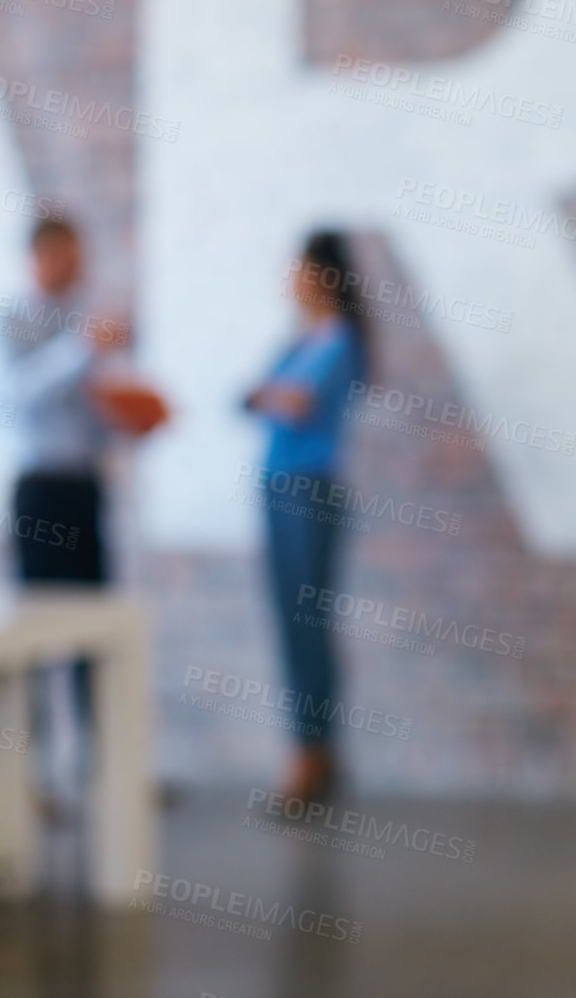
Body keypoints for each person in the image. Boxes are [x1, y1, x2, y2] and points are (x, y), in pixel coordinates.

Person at [2, 215, 164, 804]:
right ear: (41, 256)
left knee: (95, 627)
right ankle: (30, 777)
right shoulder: (12, 318)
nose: (77, 269)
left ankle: (104, 774)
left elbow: (96, 411)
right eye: (67, 257)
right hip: (38, 490)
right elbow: (17, 393)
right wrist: (81, 348)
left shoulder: (85, 323)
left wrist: (133, 418)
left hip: (84, 490)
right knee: (34, 633)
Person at [244, 230, 368, 804]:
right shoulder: (300, 341)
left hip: (308, 493)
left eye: (299, 270)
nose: (290, 281)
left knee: (307, 624)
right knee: (294, 624)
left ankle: (310, 752)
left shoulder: (336, 338)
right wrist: (268, 394)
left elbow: (287, 401)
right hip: (278, 487)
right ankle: (316, 748)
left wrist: (268, 394)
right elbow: (254, 396)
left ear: (323, 276)